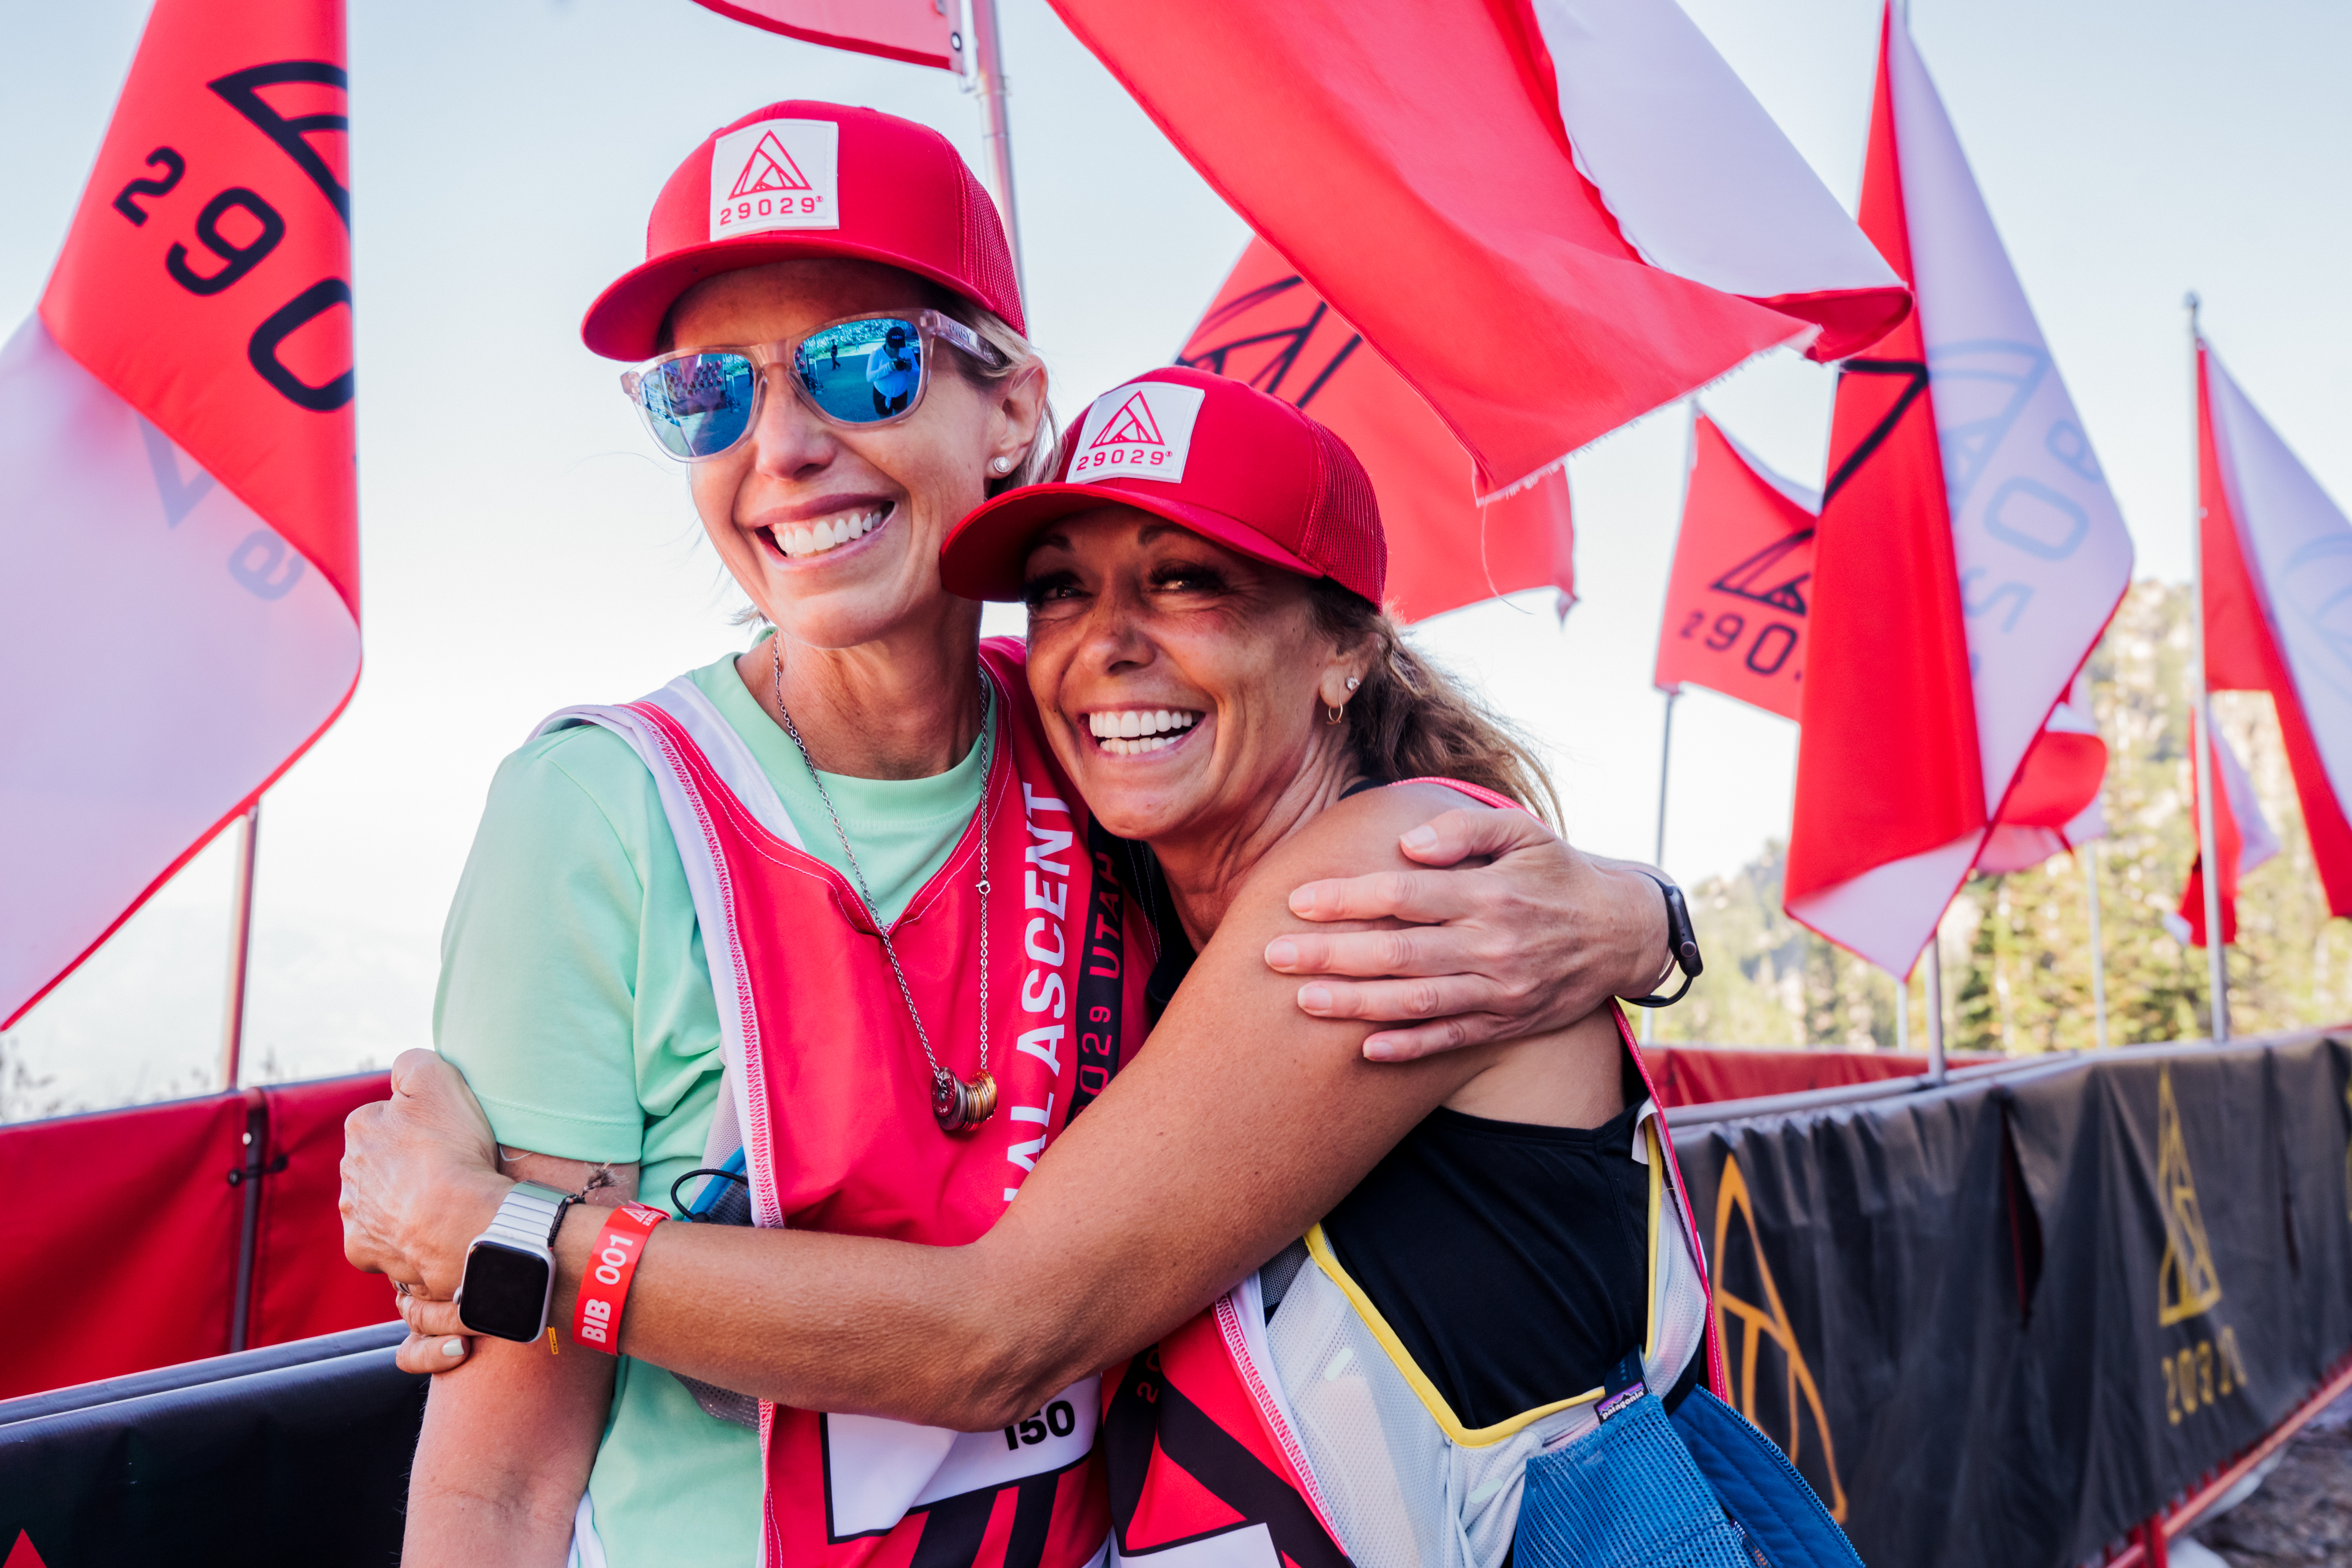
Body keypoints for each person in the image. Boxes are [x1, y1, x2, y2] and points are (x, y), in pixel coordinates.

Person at [393, 103, 1687, 1568]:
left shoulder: (1123, 779)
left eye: (863, 364)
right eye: (704, 394)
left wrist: (501, 1237)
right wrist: (1649, 919)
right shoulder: (605, 810)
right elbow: (496, 1485)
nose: (786, 446)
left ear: (1009, 414)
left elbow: (1002, 1334)